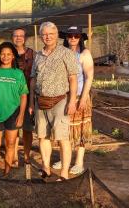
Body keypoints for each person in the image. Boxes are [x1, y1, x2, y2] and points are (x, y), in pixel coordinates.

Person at [29, 22, 79, 181]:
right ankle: (46, 167)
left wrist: (72, 101)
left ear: (57, 35)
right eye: (44, 34)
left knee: (62, 138)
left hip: (60, 101)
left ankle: (64, 172)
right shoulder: (38, 55)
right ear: (41, 36)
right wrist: (31, 102)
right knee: (42, 136)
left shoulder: (66, 53)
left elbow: (73, 78)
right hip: (40, 101)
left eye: (51, 34)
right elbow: (33, 80)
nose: (48, 37)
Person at [52, 26, 94, 176]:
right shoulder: (62, 53)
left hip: (79, 96)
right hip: (64, 96)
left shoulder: (84, 54)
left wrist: (83, 98)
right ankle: (65, 160)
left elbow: (89, 77)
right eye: (70, 36)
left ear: (80, 38)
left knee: (80, 128)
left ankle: (79, 162)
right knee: (64, 128)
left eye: (76, 36)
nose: (73, 38)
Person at [0, 42, 28, 179]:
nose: (5, 56)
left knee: (11, 143)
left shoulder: (18, 74)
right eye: (3, 54)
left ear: (13, 56)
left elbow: (24, 95)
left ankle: (7, 171)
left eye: (8, 54)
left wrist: (21, 115)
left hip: (13, 114)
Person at [11, 27, 35, 167]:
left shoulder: (33, 54)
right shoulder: (8, 54)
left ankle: (26, 156)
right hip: (11, 97)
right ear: (12, 37)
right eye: (15, 35)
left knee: (27, 128)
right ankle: (13, 156)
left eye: (21, 36)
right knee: (13, 128)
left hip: (27, 95)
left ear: (25, 38)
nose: (18, 38)